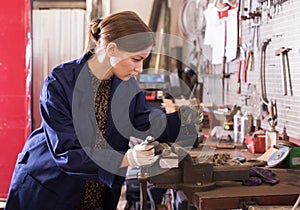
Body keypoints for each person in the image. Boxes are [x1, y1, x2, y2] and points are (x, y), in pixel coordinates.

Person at [5, 11, 199, 210]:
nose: (140, 68)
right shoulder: (60, 83)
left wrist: (186, 120)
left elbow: (145, 122)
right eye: (136, 59)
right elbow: (67, 153)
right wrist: (127, 159)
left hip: (96, 196)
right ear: (112, 49)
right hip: (50, 190)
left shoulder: (127, 86)